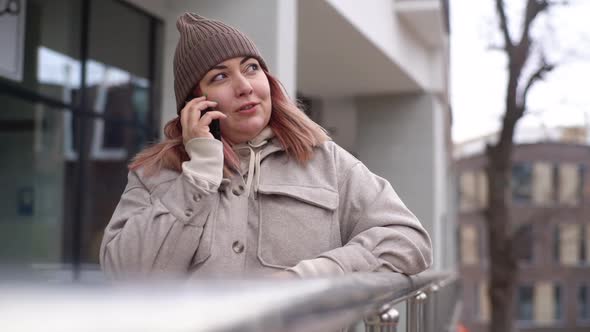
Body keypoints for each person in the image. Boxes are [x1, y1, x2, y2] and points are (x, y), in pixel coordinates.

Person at [99, 13, 432, 279]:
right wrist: (198, 175)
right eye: (220, 77)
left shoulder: (328, 163)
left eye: (251, 68)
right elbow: (123, 275)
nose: (244, 86)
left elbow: (408, 240)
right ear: (195, 104)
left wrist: (315, 275)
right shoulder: (156, 174)